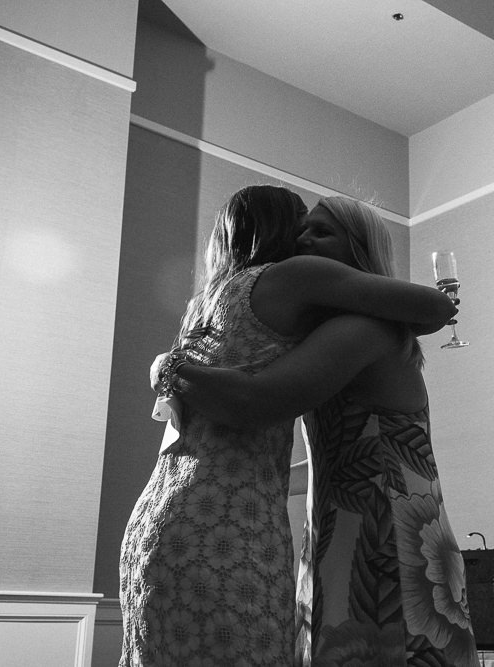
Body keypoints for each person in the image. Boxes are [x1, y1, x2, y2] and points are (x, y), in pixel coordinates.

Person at [121, 186, 455, 666]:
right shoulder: (307, 322)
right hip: (330, 531)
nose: (303, 241)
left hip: (385, 537)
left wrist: (167, 368)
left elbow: (259, 403)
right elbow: (329, 452)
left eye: (320, 231)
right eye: (300, 228)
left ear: (356, 252)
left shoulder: (356, 327)